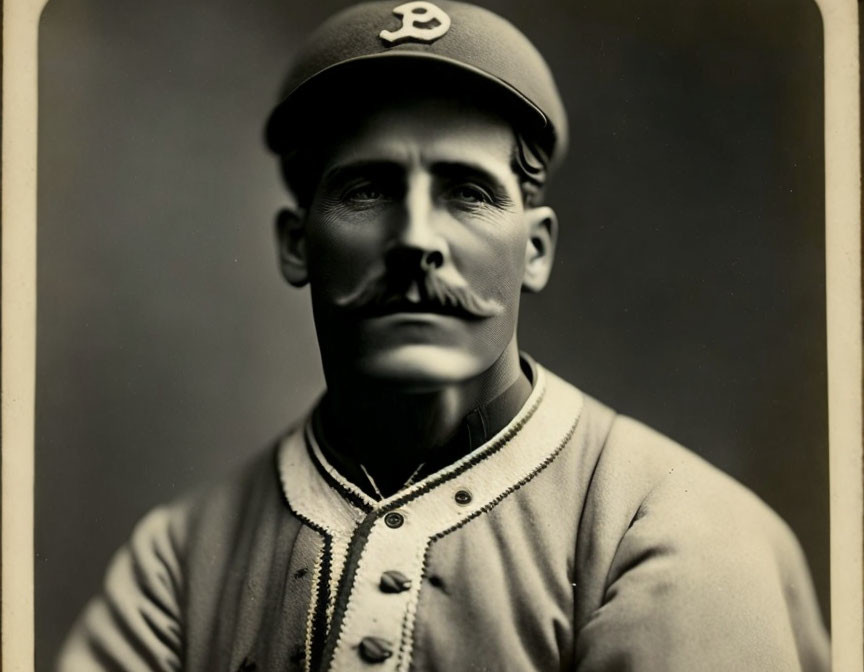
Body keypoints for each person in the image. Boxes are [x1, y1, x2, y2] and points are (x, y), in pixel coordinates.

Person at [57, 2, 830, 670]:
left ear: (535, 250)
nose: (416, 238)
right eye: (367, 189)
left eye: (466, 192)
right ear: (297, 242)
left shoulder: (676, 530)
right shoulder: (183, 556)